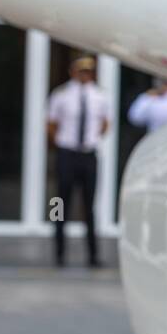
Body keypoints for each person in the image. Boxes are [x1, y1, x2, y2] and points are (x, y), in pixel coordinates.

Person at [46, 55, 110, 267]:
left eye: (88, 71)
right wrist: (63, 143)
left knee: (89, 206)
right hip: (67, 153)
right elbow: (52, 124)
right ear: (73, 72)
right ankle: (58, 253)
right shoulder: (62, 95)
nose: (85, 75)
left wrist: (91, 140)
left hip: (88, 155)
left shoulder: (100, 96)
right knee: (60, 204)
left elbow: (105, 124)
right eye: (81, 71)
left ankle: (92, 255)